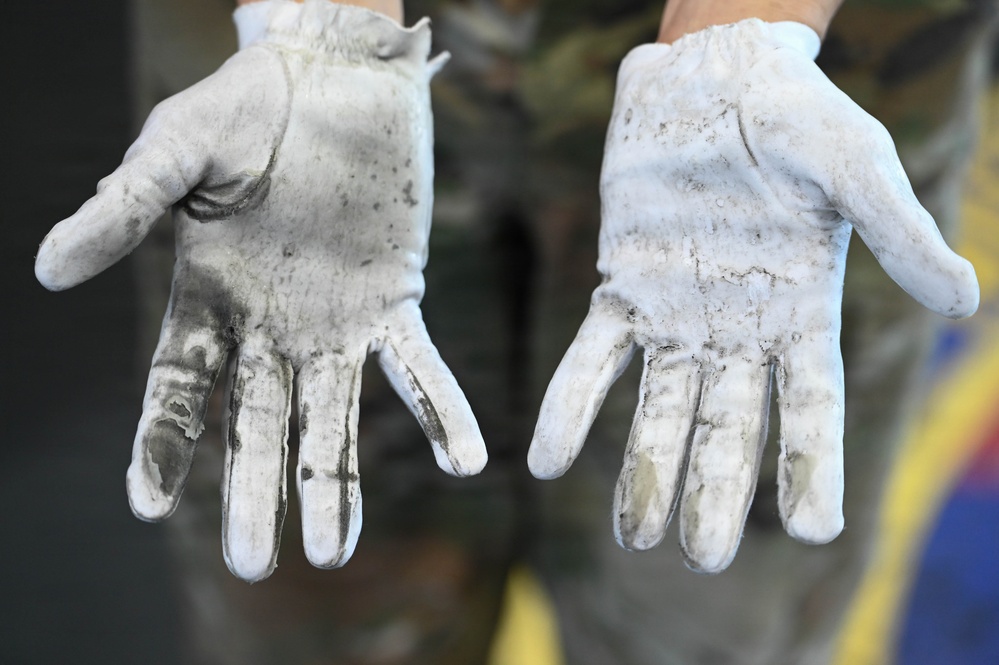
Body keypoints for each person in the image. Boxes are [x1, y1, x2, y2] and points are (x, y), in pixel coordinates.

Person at [44, 0, 999, 662]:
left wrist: (739, 34)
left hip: (809, 75)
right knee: (315, 590)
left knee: (714, 610)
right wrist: (318, 36)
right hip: (276, 92)